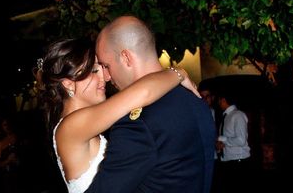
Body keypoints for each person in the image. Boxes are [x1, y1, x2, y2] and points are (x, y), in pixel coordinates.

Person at [37, 30, 202, 193]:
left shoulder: (80, 123)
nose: (104, 77)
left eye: (102, 68)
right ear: (67, 84)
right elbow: (143, 93)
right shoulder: (71, 125)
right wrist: (178, 72)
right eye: (94, 71)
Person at [87, 15, 216, 192]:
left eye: (106, 66)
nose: (107, 78)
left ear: (126, 58)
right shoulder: (194, 99)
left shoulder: (138, 123)